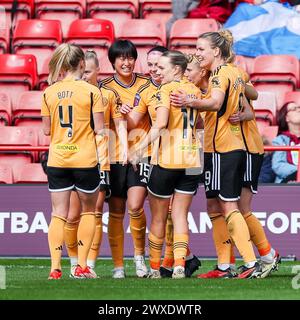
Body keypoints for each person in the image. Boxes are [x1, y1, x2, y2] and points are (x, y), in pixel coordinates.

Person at [170, 30, 263, 279]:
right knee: (214, 205)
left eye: (201, 49)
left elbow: (214, 103)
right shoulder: (233, 73)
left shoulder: (221, 74)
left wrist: (189, 102)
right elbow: (250, 97)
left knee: (229, 204)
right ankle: (224, 265)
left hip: (224, 147)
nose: (197, 53)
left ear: (216, 51)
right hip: (217, 148)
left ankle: (253, 261)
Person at [120, 47, 201, 278]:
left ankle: (155, 268)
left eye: (162, 68)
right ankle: (178, 265)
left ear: (176, 69)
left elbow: (160, 125)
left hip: (167, 160)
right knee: (180, 216)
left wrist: (138, 150)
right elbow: (200, 126)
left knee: (158, 217)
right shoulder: (194, 90)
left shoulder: (165, 90)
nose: (158, 72)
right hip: (191, 159)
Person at [41, 43, 104, 279]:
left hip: (58, 159)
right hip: (85, 159)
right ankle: (82, 267)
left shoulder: (48, 92)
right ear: (81, 64)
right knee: (88, 212)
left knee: (59, 213)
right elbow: (99, 129)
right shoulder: (91, 91)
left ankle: (55, 269)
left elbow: (46, 131)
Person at [62, 50, 126, 277]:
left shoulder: (106, 95)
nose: (84, 75)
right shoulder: (70, 93)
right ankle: (72, 262)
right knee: (71, 215)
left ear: (98, 70)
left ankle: (88, 263)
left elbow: (117, 125)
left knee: (96, 212)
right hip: (73, 159)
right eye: (83, 71)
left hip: (99, 160)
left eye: (88, 72)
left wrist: (125, 149)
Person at [101, 40, 151, 278]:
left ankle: (140, 257)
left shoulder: (147, 84)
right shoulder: (104, 87)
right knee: (117, 212)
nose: (126, 62)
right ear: (113, 61)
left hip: (142, 153)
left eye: (130, 57)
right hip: (114, 156)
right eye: (121, 58)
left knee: (136, 206)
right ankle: (118, 266)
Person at [272, 101, 300, 183]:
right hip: (287, 182)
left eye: (299, 108)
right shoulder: (280, 140)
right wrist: (298, 170)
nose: (299, 110)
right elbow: (278, 166)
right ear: (286, 118)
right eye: (294, 109)